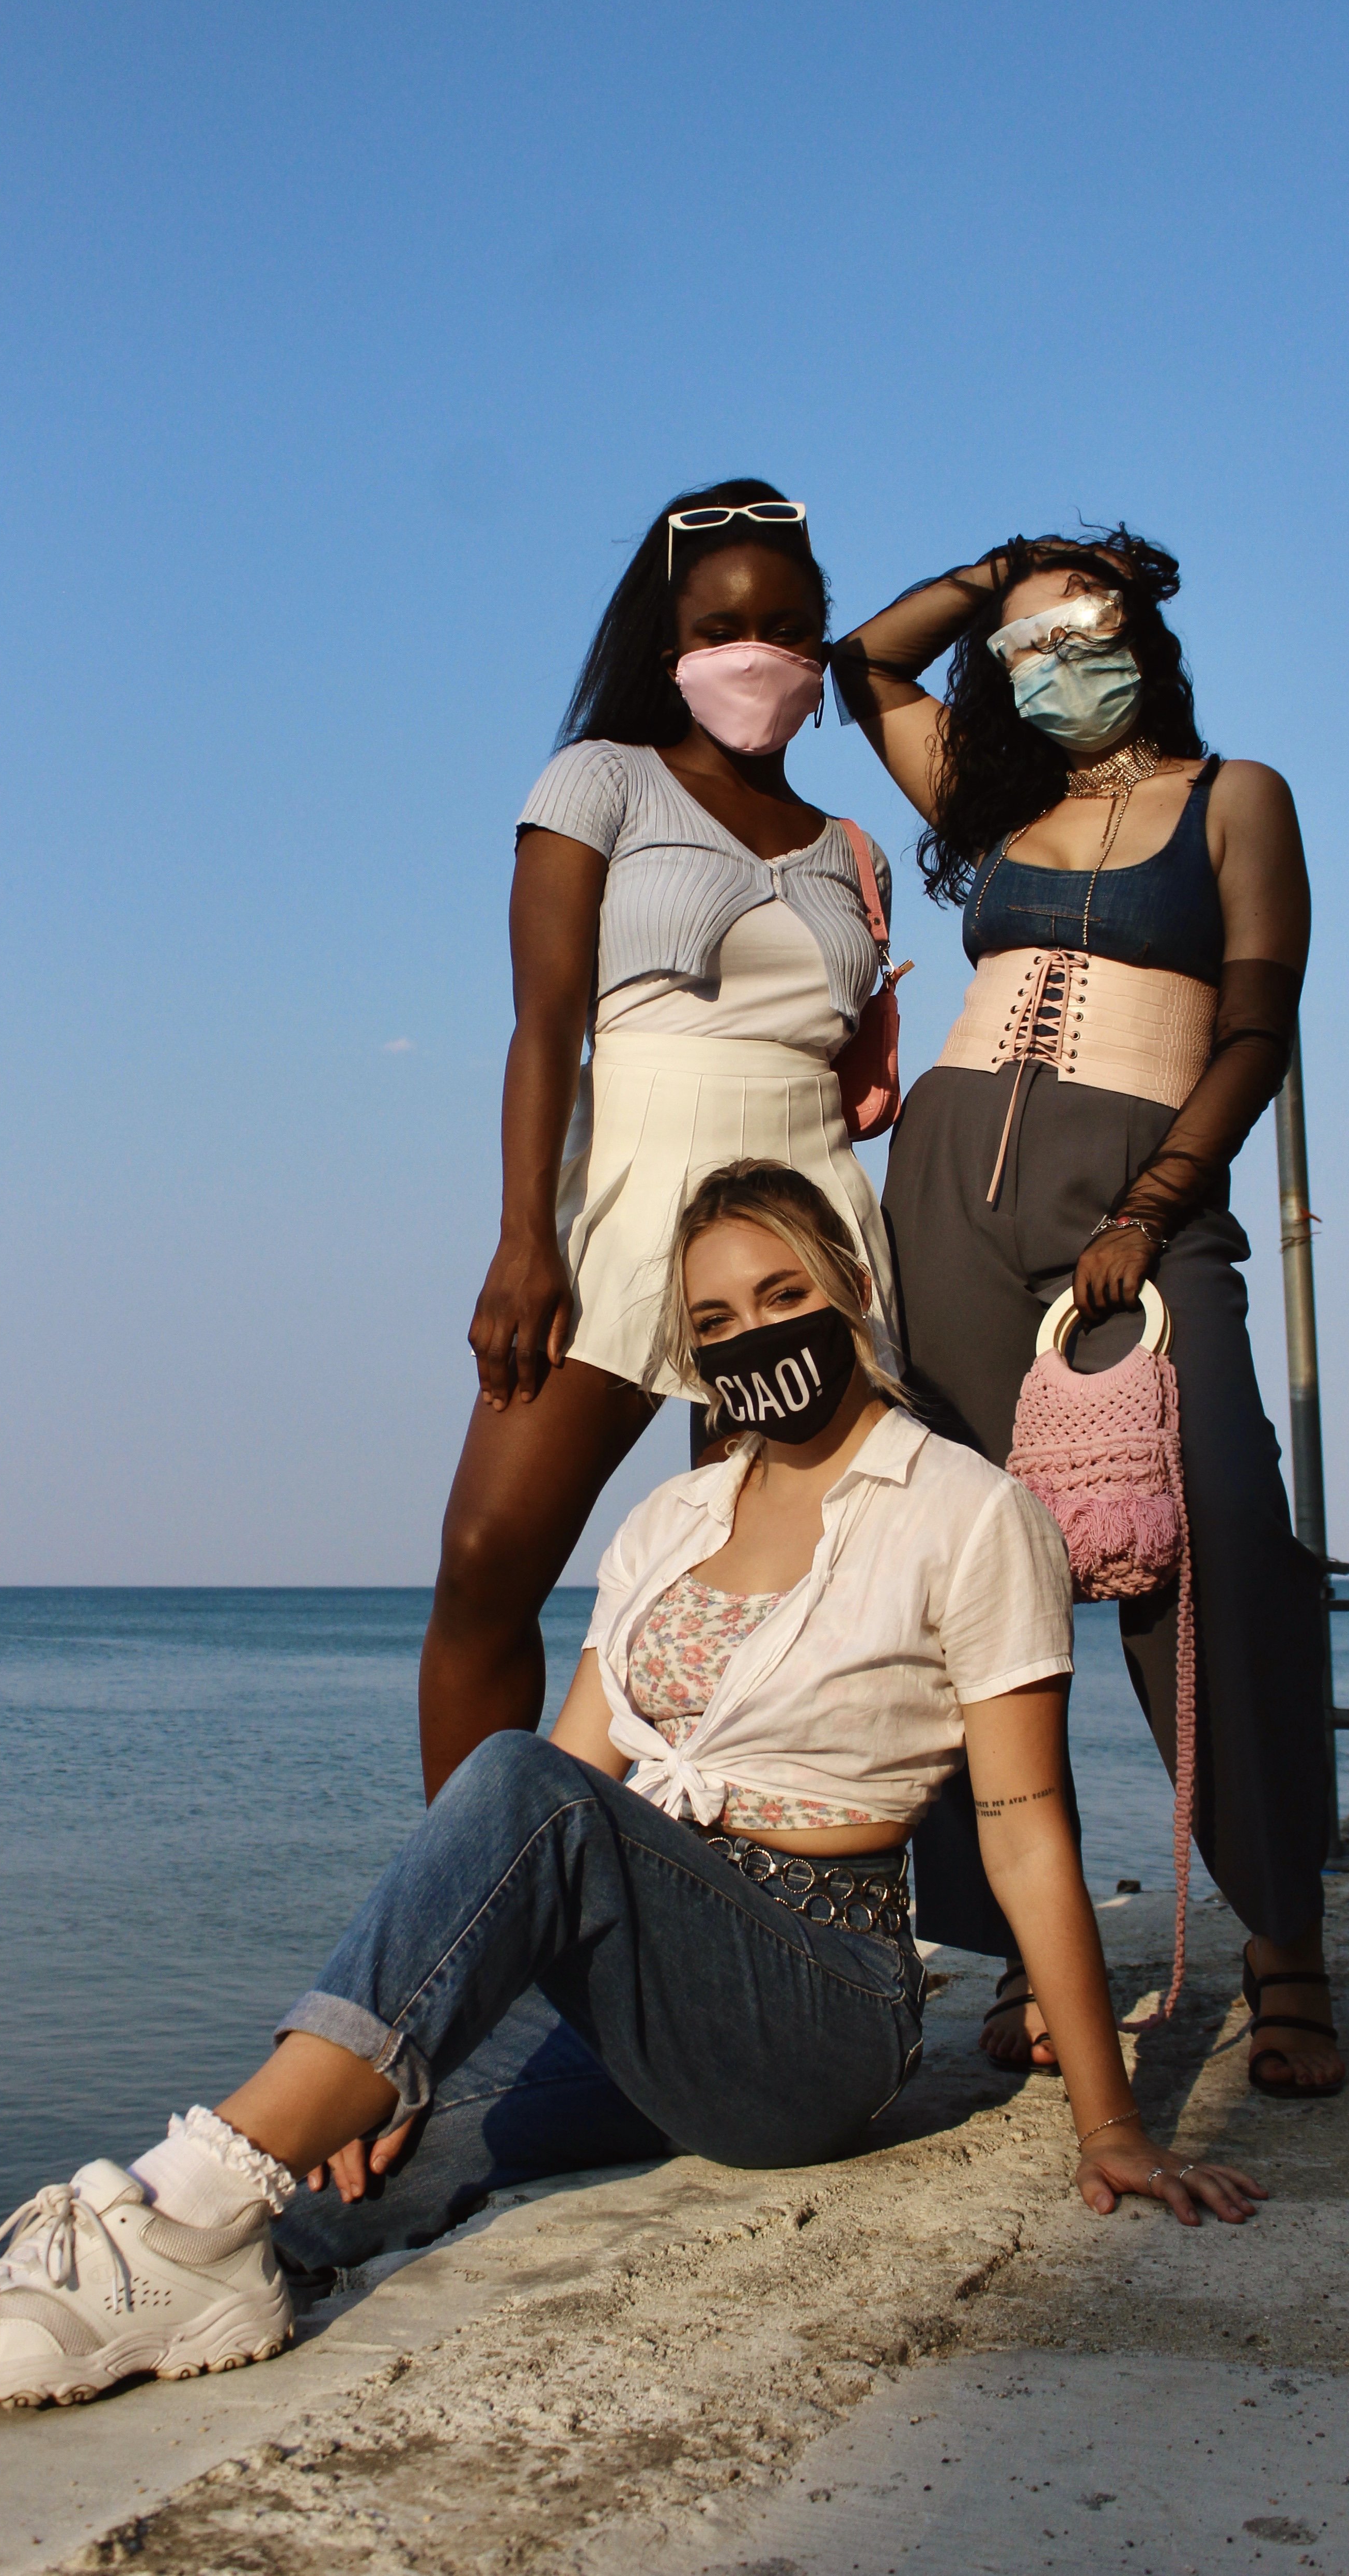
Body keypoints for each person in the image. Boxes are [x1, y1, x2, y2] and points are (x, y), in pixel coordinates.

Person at [0, 1163, 1265, 2410]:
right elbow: (581, 1787)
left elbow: (1024, 1831)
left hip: (820, 1999)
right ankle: (168, 2289)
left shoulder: (969, 1510)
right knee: (388, 2170)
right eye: (715, 1325)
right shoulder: (669, 1521)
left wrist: (1112, 2123)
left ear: (848, 1290)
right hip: (648, 1974)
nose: (753, 1337)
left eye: (782, 1294)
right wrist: (391, 2053)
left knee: (509, 1776)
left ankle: (174, 2207)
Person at [832, 530, 1343, 2099]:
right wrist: (1008, 569)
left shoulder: (1236, 796)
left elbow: (1256, 1025)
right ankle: (1020, 1949)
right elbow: (864, 666)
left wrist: (1153, 1203)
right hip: (944, 1208)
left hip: (1138, 1196)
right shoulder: (991, 805)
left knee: (1224, 1539)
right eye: (1028, 644)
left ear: (1144, 632)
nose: (1057, 659)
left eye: (1085, 629)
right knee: (960, 1561)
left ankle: (1284, 1938)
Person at [418, 480, 900, 1805]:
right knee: (484, 1559)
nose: (761, 652)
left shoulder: (854, 849)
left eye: (792, 626)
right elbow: (545, 1023)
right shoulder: (600, 782)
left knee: (772, 1606)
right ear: (670, 637)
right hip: (627, 1207)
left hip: (807, 1225)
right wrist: (524, 1237)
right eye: (725, 624)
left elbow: (856, 1066)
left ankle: (736, 1923)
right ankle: (477, 1907)